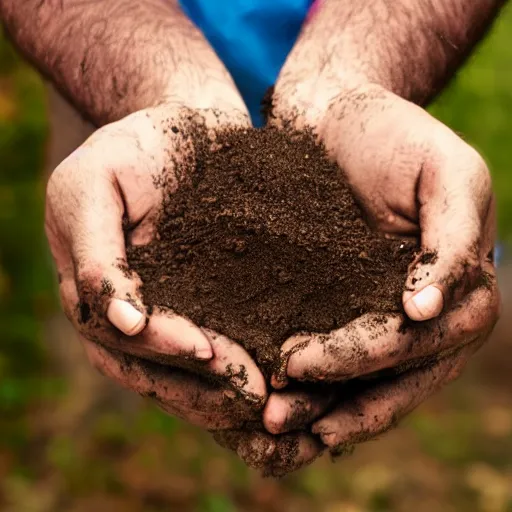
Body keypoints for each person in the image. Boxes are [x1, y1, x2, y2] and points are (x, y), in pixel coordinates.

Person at [0, 0, 503, 475]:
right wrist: (156, 82)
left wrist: (347, 75)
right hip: (115, 61)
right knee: (107, 275)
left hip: (375, 50)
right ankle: (109, 447)